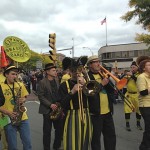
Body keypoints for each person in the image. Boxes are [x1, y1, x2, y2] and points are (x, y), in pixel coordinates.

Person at [59, 57, 92, 150]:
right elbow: (62, 104)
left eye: (79, 70)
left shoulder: (86, 83)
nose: (77, 73)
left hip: (86, 115)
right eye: (74, 70)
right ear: (69, 71)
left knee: (85, 142)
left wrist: (86, 85)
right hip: (72, 116)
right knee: (71, 143)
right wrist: (72, 92)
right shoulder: (64, 85)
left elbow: (93, 97)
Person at [86, 55, 116, 150]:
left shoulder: (102, 74)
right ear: (90, 65)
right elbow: (90, 93)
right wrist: (102, 84)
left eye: (99, 61)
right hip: (95, 113)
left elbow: (111, 91)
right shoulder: (87, 76)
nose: (98, 63)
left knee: (111, 137)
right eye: (95, 62)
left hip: (107, 112)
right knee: (95, 139)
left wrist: (109, 80)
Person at [0, 65, 32, 150]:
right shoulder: (1, 86)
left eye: (16, 74)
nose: (15, 76)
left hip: (22, 117)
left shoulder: (20, 84)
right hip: (7, 118)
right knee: (12, 146)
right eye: (13, 74)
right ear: (6, 74)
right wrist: (8, 112)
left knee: (28, 144)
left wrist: (23, 99)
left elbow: (25, 97)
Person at [37, 63, 62, 150]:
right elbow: (40, 96)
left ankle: (56, 146)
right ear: (47, 72)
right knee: (47, 132)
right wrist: (50, 105)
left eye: (56, 70)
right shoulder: (42, 82)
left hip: (57, 109)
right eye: (53, 70)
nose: (56, 72)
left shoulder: (57, 80)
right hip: (47, 110)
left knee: (59, 130)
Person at [123, 61, 142, 131]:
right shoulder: (129, 75)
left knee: (138, 110)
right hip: (128, 94)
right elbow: (122, 83)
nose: (132, 68)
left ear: (137, 68)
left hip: (137, 95)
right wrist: (125, 78)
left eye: (134, 67)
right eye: (131, 67)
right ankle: (127, 124)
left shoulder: (140, 75)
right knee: (127, 109)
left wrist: (131, 75)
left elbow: (138, 80)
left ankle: (138, 124)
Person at [136, 56, 150, 150]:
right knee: (149, 128)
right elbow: (143, 92)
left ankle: (145, 146)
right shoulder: (141, 77)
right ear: (144, 68)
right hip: (145, 106)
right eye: (149, 65)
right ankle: (145, 147)